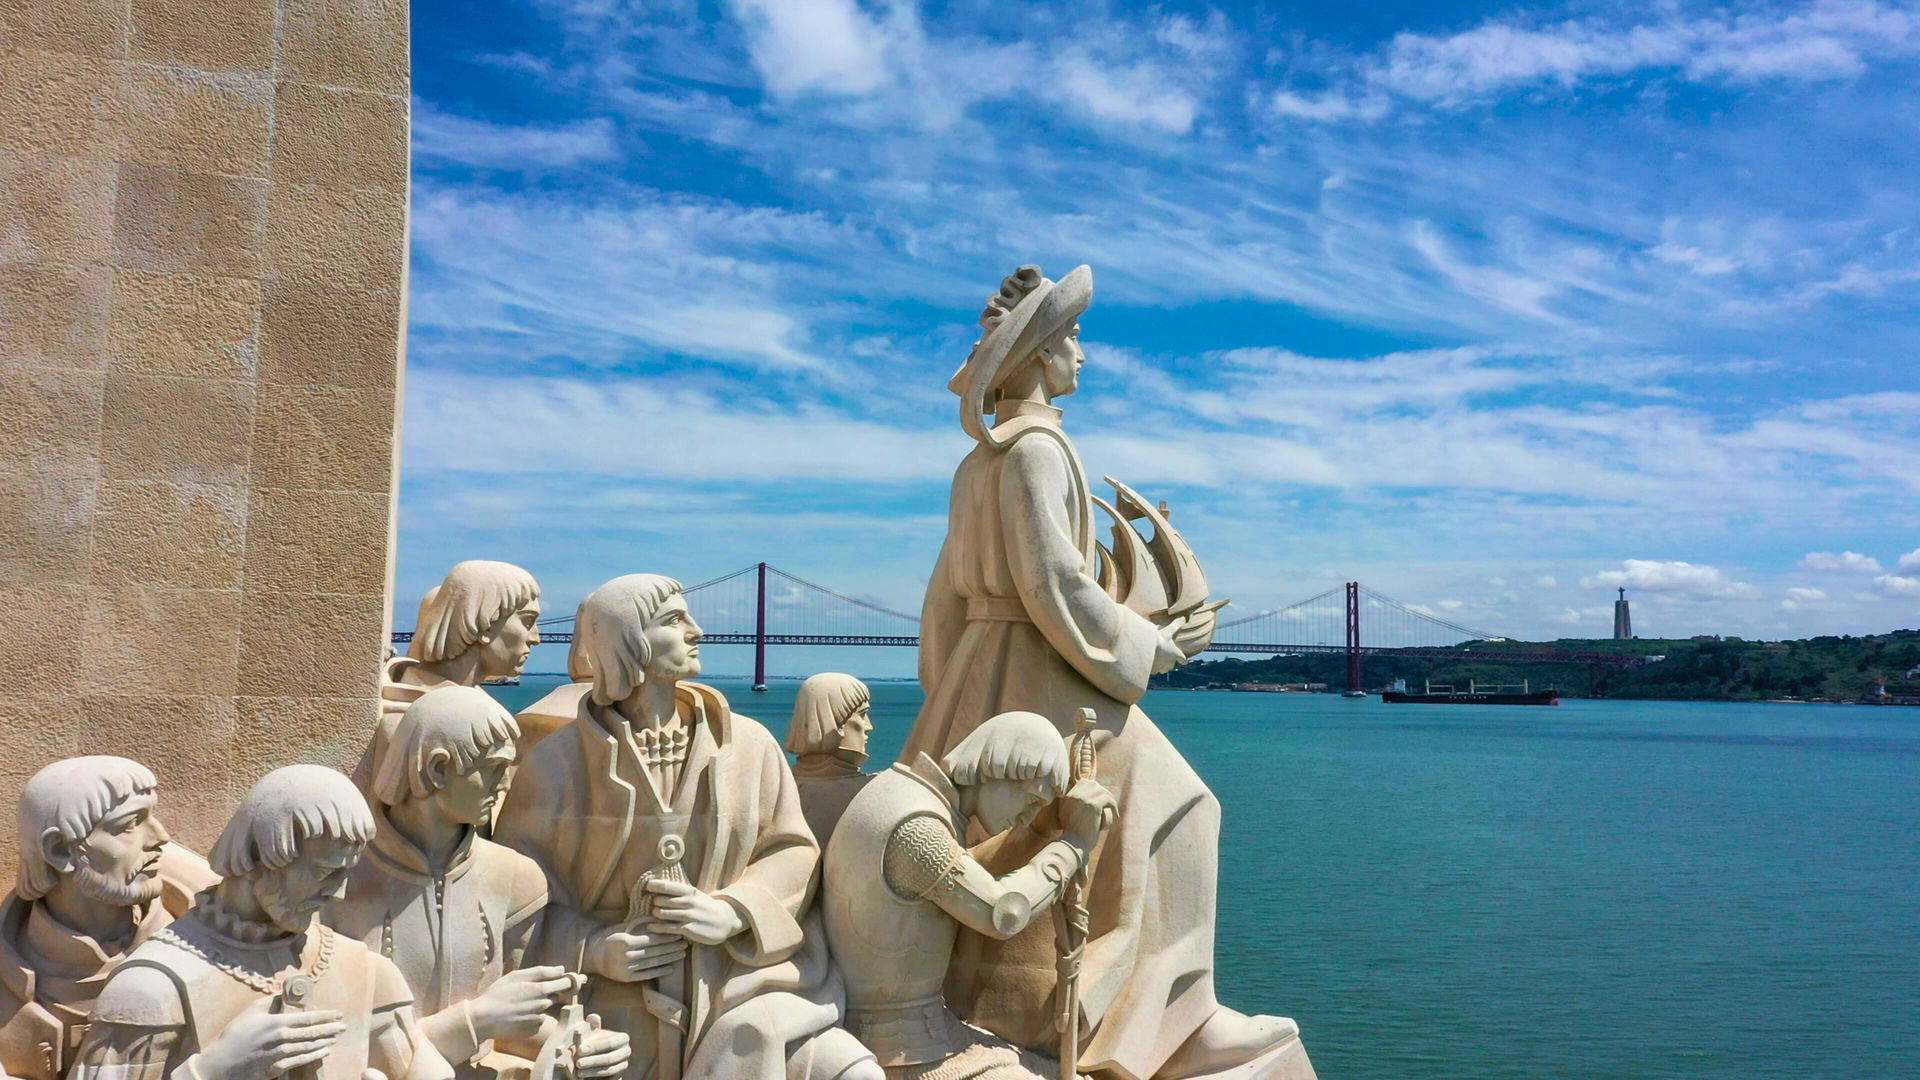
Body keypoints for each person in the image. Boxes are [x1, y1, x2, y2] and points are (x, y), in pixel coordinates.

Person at [905, 265, 1298, 1079]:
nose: (1082, 353)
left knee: (998, 837)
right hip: (1041, 670)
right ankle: (1176, 1022)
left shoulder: (979, 461)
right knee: (1184, 807)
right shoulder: (1037, 451)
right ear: (1039, 353)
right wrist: (1154, 645)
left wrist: (948, 687)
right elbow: (1056, 583)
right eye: (1072, 337)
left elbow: (944, 596)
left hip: (982, 667)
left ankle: (1029, 1012)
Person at [494, 575, 879, 1080]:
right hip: (606, 1009)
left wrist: (736, 912)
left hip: (740, 987)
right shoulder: (554, 765)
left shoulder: (750, 745)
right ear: (627, 638)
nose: (698, 631)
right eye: (674, 620)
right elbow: (512, 901)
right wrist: (595, 949)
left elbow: (792, 850)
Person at [70, 766, 453, 1080]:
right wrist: (212, 1073)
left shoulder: (365, 971)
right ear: (257, 856)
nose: (338, 894)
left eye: (345, 873)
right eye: (324, 872)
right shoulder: (151, 988)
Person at [328, 687, 630, 1080]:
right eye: (492, 768)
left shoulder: (515, 877)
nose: (503, 785)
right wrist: (476, 1020)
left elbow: (513, 1023)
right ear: (437, 769)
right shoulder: (337, 880)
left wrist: (578, 1044)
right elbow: (340, 1049)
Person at [823, 711, 1115, 1079]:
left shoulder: (900, 790)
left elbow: (955, 876)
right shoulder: (919, 828)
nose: (1025, 820)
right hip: (906, 1053)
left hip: (922, 1032)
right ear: (1004, 767)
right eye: (1030, 802)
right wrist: (1074, 844)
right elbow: (1003, 913)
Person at [0, 758, 216, 1080]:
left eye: (152, 816)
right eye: (129, 825)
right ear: (60, 850)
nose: (161, 836)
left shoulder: (206, 953)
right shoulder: (6, 967)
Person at [354, 561, 543, 793]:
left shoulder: (477, 708)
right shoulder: (407, 720)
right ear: (486, 624)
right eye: (527, 621)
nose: (535, 638)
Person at [785, 674, 877, 847]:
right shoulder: (872, 794)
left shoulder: (778, 792)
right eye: (863, 714)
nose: (869, 726)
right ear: (833, 722)